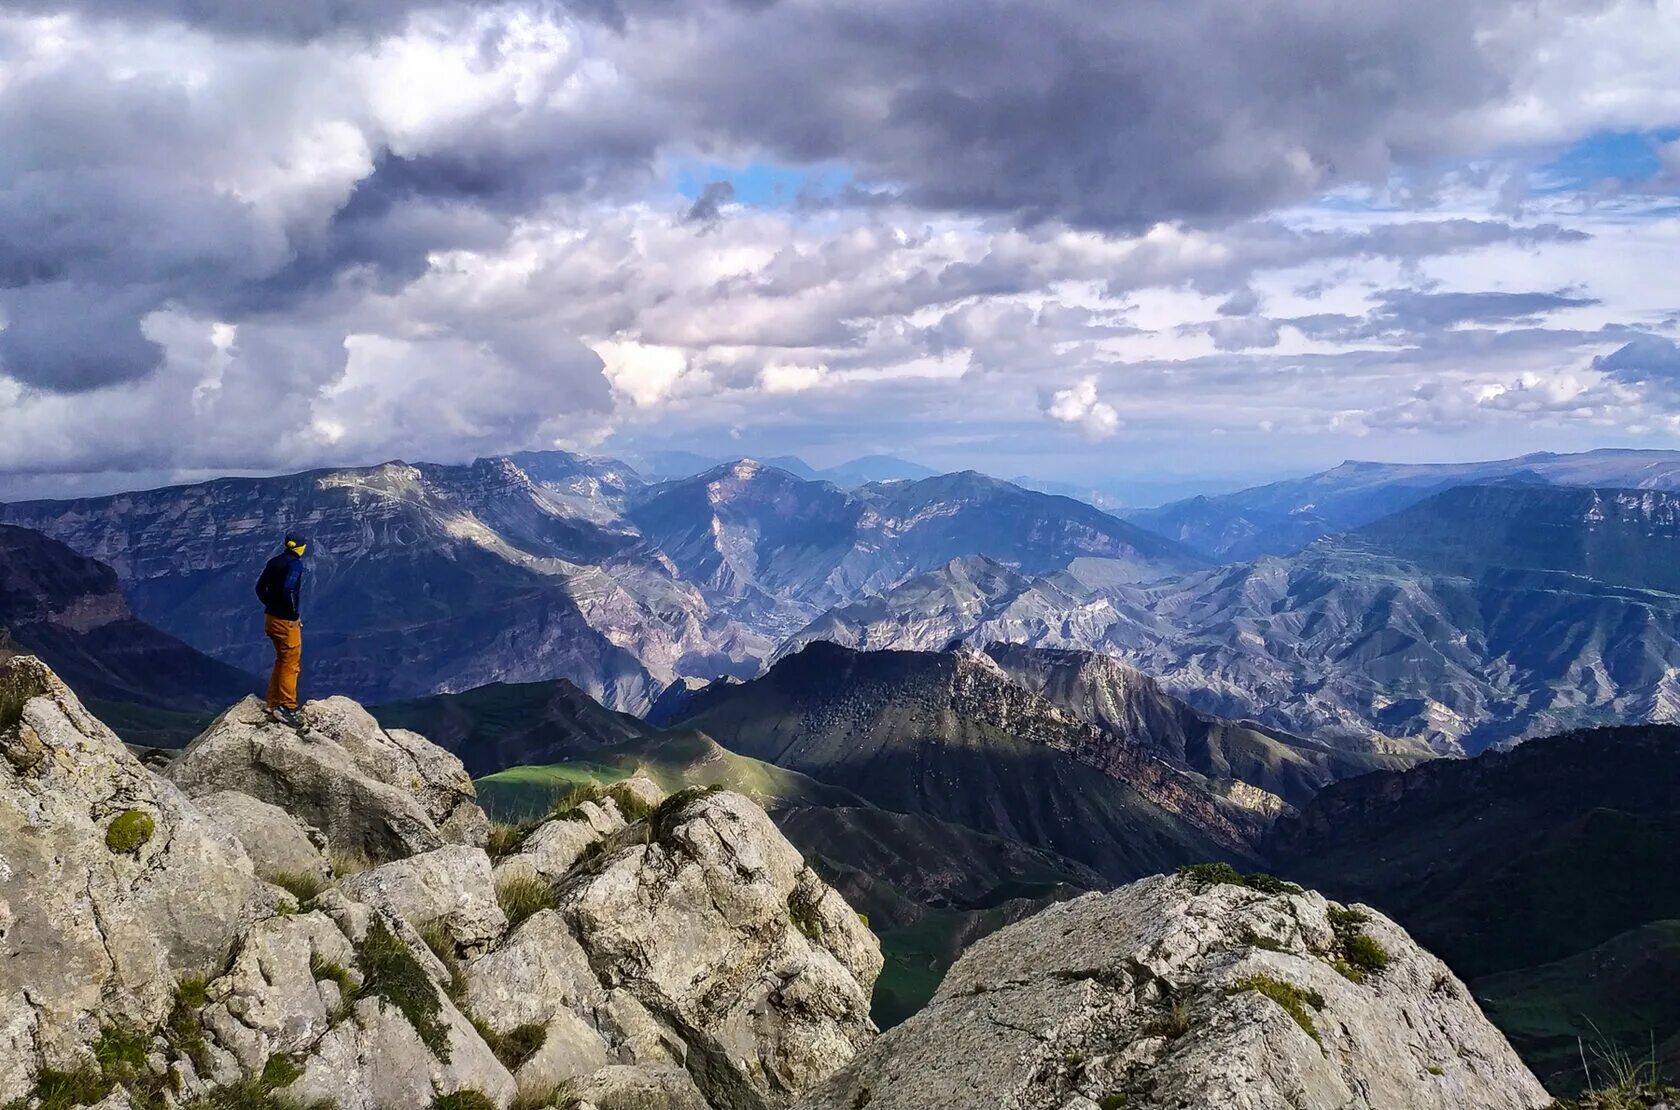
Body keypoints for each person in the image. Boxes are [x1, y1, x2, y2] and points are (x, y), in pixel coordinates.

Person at [255, 533, 308, 726]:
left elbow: (260, 587)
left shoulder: (274, 561)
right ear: (300, 548)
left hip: (270, 619)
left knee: (281, 659)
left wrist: (271, 606)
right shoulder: (295, 565)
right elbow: (289, 590)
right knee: (291, 663)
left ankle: (273, 702)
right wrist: (293, 615)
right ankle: (287, 707)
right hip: (287, 622)